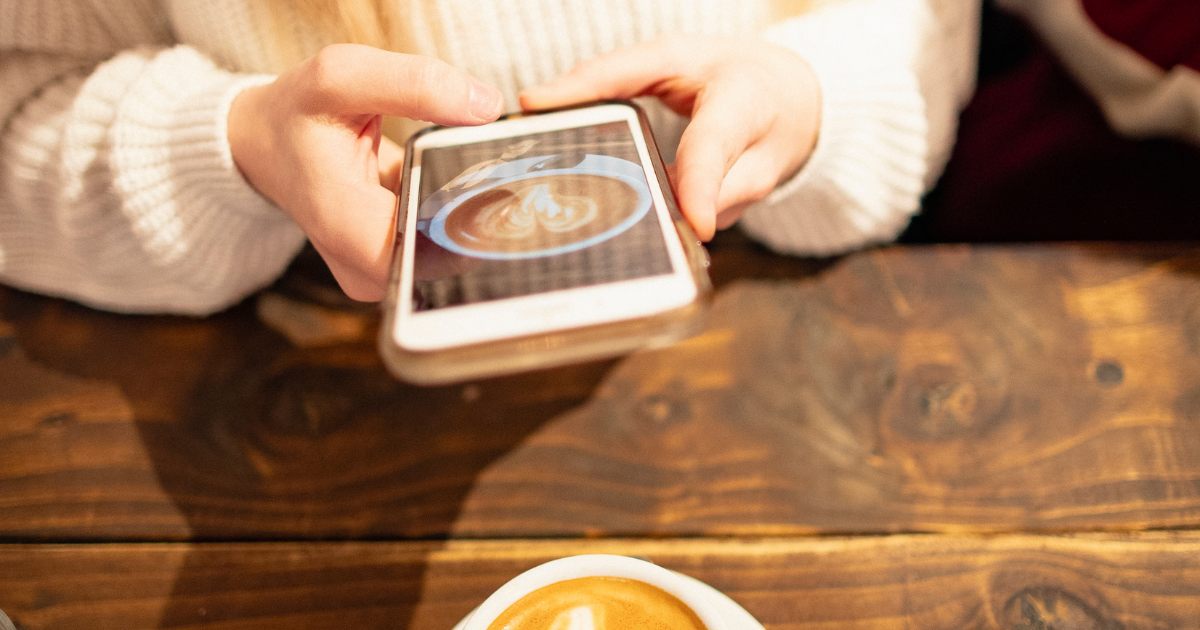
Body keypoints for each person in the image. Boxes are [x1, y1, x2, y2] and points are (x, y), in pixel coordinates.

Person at [0, 0, 980, 315]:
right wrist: (231, 145)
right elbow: (19, 100)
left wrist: (816, 98)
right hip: (320, 392)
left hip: (759, 336)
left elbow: (920, 23)